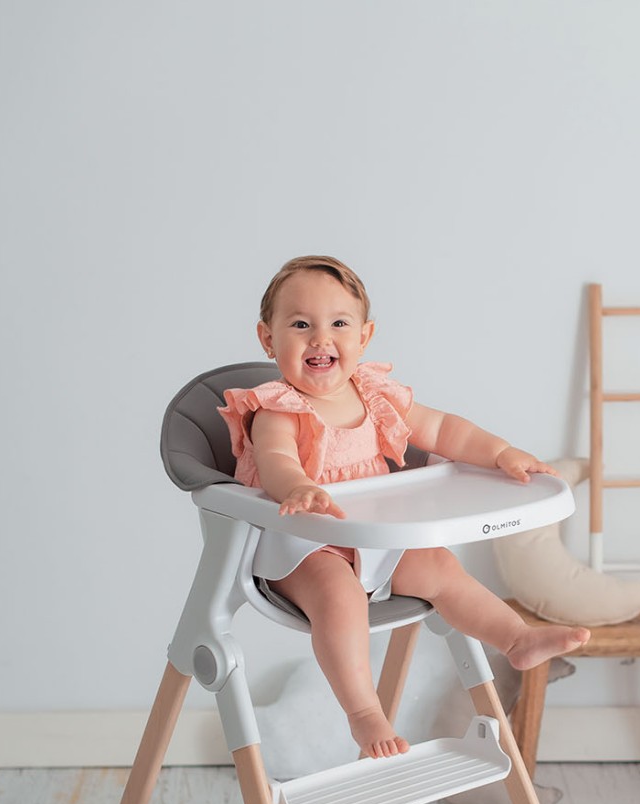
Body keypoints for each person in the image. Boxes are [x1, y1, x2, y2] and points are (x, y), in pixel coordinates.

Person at [219, 255, 590, 758]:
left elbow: (443, 430)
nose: (320, 338)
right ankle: (365, 712)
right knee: (339, 595)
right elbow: (278, 460)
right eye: (300, 324)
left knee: (437, 564)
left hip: (377, 533)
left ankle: (517, 638)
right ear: (268, 338)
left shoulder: (374, 394)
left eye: (339, 324)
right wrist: (298, 488)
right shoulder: (277, 407)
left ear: (364, 337)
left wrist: (501, 452)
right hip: (301, 544)